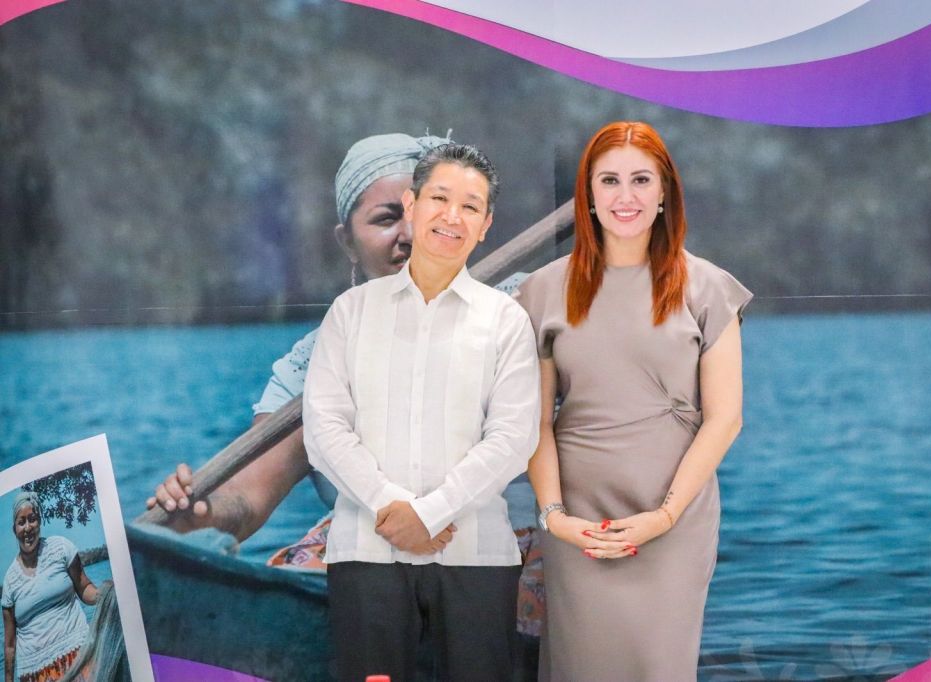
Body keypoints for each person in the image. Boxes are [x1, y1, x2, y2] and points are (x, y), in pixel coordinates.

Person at [515, 121, 751, 682]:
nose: (626, 196)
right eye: (610, 180)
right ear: (588, 195)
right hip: (577, 521)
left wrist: (664, 516)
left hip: (674, 518)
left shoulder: (708, 287)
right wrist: (555, 518)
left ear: (665, 191)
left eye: (641, 180)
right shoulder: (542, 290)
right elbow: (534, 423)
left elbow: (725, 418)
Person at [302, 143, 540, 682]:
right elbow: (324, 430)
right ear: (412, 205)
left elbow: (512, 439)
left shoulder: (504, 320)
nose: (452, 217)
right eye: (439, 198)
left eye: (470, 206)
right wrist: (393, 508)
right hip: (366, 552)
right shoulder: (351, 313)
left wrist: (430, 514)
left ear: (486, 225)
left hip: (475, 556)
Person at [146, 132, 451, 544]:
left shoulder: (523, 308)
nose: (411, 234)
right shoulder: (313, 366)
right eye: (387, 218)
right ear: (348, 243)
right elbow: (245, 498)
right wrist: (196, 514)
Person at [2, 492, 98, 682]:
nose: (27, 527)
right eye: (21, 522)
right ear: (14, 529)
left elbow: (84, 588)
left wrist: (105, 593)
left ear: (39, 521)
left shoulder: (61, 548)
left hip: (78, 655)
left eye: (32, 519)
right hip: (36, 673)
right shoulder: (9, 582)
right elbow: (10, 645)